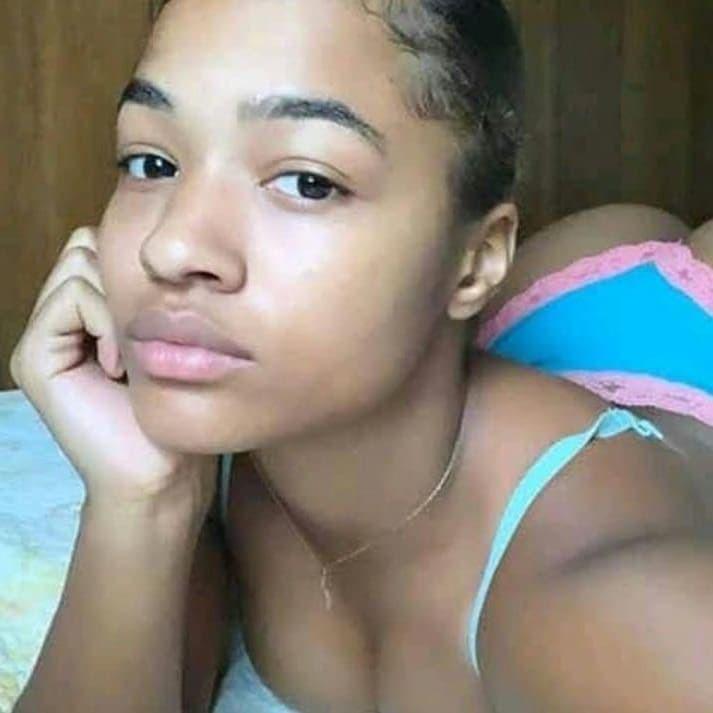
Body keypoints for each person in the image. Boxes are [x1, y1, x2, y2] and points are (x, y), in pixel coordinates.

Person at [8, 1, 711, 712]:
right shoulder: (235, 439)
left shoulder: (614, 603)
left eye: (307, 181)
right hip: (533, 312)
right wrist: (137, 504)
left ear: (475, 260)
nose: (170, 247)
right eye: (152, 162)